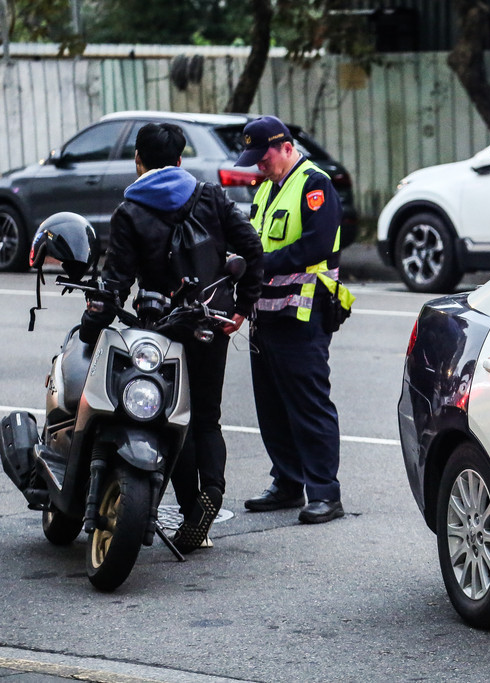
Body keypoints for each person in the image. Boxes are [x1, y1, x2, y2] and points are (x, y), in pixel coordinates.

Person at [79, 122, 264, 552]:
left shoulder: (130, 210)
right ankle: (210, 499)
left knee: (169, 419)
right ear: (181, 160)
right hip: (210, 323)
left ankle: (188, 509)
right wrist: (240, 309)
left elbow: (114, 284)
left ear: (138, 161)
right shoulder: (210, 196)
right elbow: (252, 249)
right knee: (207, 417)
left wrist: (90, 330)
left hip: (157, 330)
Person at [236, 115, 346, 524]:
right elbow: (253, 237)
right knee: (272, 405)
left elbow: (316, 244)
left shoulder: (314, 184)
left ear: (285, 147)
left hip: (302, 312)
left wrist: (259, 265)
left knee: (308, 404)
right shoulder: (265, 188)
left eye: (262, 157)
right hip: (264, 313)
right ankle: (286, 482)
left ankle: (324, 493)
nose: (257, 166)